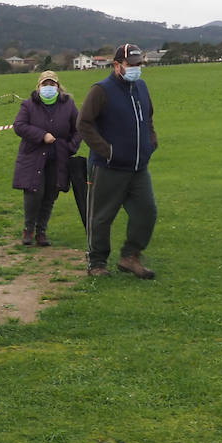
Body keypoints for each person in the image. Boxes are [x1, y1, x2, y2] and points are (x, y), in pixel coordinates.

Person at [76, 43, 158, 278]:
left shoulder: (141, 87)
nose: (136, 69)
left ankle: (130, 257)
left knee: (147, 212)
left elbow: (148, 118)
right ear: (116, 65)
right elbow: (84, 124)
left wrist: (151, 141)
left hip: (138, 167)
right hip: (108, 167)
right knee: (101, 217)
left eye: (139, 64)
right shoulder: (101, 90)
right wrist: (107, 151)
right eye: (131, 65)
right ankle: (97, 262)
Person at [11, 70, 81, 246]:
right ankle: (28, 229)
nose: (48, 87)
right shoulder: (28, 105)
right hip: (33, 156)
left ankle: (41, 231)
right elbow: (19, 126)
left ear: (58, 87)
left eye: (52, 84)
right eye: (45, 84)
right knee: (34, 193)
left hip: (58, 158)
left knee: (50, 194)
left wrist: (70, 147)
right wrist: (42, 135)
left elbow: (79, 128)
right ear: (39, 86)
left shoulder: (68, 105)